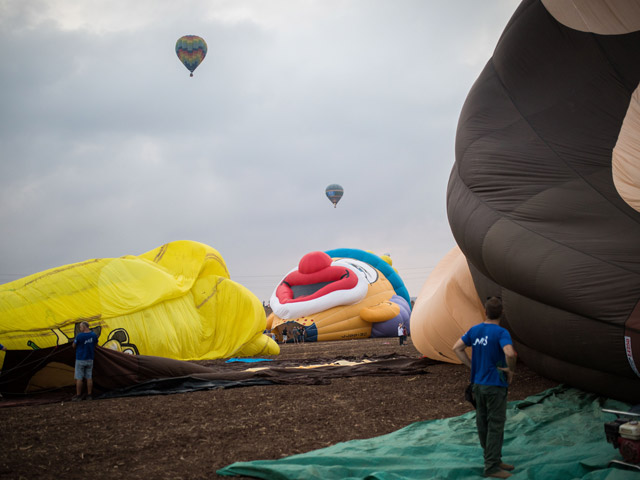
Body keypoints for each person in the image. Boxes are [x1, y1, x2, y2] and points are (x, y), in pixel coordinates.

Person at [452, 297, 517, 479]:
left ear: (485, 312)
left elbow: (456, 348)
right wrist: (510, 370)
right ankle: (491, 467)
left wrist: (472, 366)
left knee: (483, 423)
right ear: (501, 313)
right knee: (495, 425)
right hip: (495, 385)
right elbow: (510, 352)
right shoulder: (501, 332)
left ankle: (493, 459)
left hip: (478, 385)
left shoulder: (475, 330)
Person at [72, 321, 99, 401]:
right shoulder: (93, 335)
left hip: (80, 359)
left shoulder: (79, 336)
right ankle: (89, 395)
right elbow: (96, 345)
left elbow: (74, 346)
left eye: (80, 327)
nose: (80, 329)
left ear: (84, 327)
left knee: (79, 378)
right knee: (89, 377)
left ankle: (78, 396)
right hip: (90, 359)